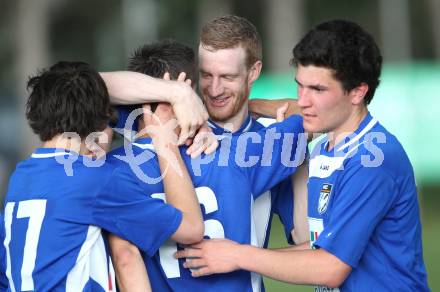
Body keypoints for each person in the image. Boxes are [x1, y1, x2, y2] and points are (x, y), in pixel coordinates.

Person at [176, 20, 430, 291]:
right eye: (300, 86)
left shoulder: (372, 159)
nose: (304, 101)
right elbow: (318, 242)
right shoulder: (324, 148)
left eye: (318, 90)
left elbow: (330, 267)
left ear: (357, 92)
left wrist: (237, 255)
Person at [107, 39, 307, 292]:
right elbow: (310, 115)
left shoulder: (107, 171)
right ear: (189, 91)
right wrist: (252, 106)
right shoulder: (237, 153)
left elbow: (86, 84)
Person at [2, 61, 204, 291]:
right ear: (98, 125)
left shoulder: (21, 177)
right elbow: (191, 227)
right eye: (111, 123)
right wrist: (163, 138)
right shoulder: (94, 180)